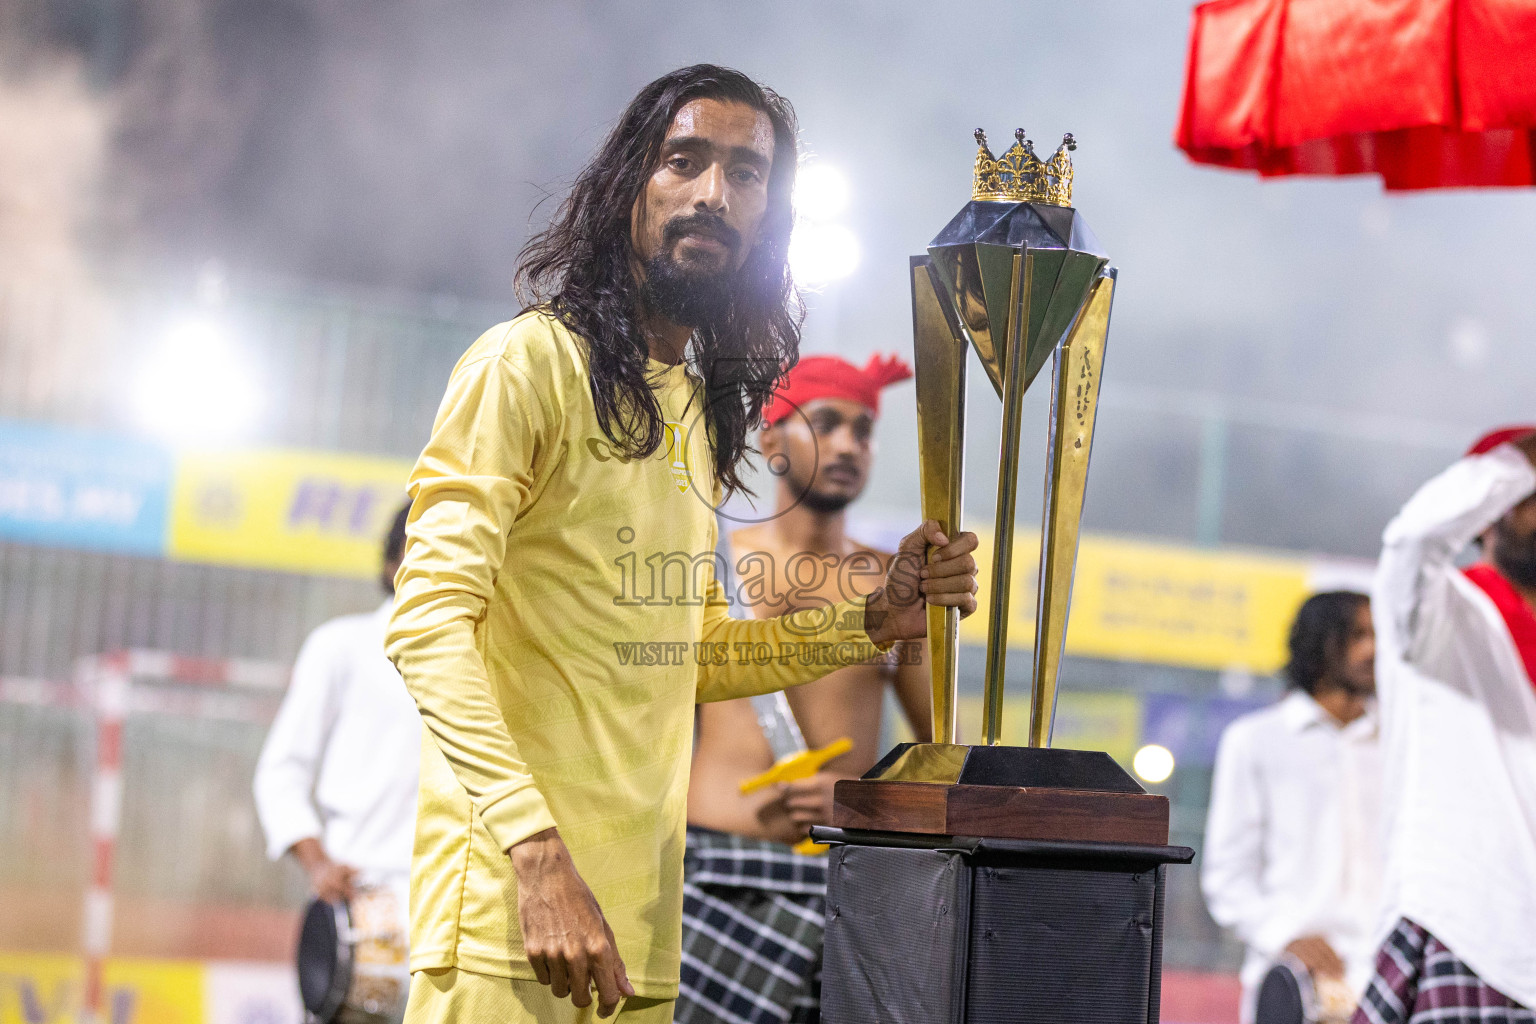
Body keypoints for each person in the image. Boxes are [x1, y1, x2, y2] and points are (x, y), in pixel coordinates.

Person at [384, 65, 981, 1024]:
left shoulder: (697, 414)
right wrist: (536, 855)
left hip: (645, 934)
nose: (714, 193)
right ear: (631, 186)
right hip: (512, 921)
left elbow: (693, 653)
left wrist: (872, 620)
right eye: (684, 161)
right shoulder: (526, 363)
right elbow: (425, 625)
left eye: (747, 174)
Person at [677, 353, 933, 1024]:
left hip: (842, 885)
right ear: (770, 441)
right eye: (824, 423)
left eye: (863, 430)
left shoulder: (895, 588)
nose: (848, 444)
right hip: (708, 872)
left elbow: (946, 750)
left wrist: (864, 801)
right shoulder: (703, 563)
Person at [1352, 427, 1536, 1024]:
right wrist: (1516, 463)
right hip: (1471, 929)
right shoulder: (1441, 613)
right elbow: (1414, 538)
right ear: (1486, 516)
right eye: (1530, 498)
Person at [254, 502, 420, 976]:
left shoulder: (492, 661)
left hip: (463, 909)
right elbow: (281, 771)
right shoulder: (342, 647)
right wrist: (319, 864)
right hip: (366, 903)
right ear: (392, 566)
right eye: (420, 547)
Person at [1202, 590, 1382, 1024]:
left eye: (1378, 634)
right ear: (1319, 645)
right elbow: (1227, 876)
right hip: (1292, 986)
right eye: (1358, 635)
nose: (1374, 649)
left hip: (1386, 981)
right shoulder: (1255, 740)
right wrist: (1287, 935)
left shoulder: (1403, 746)